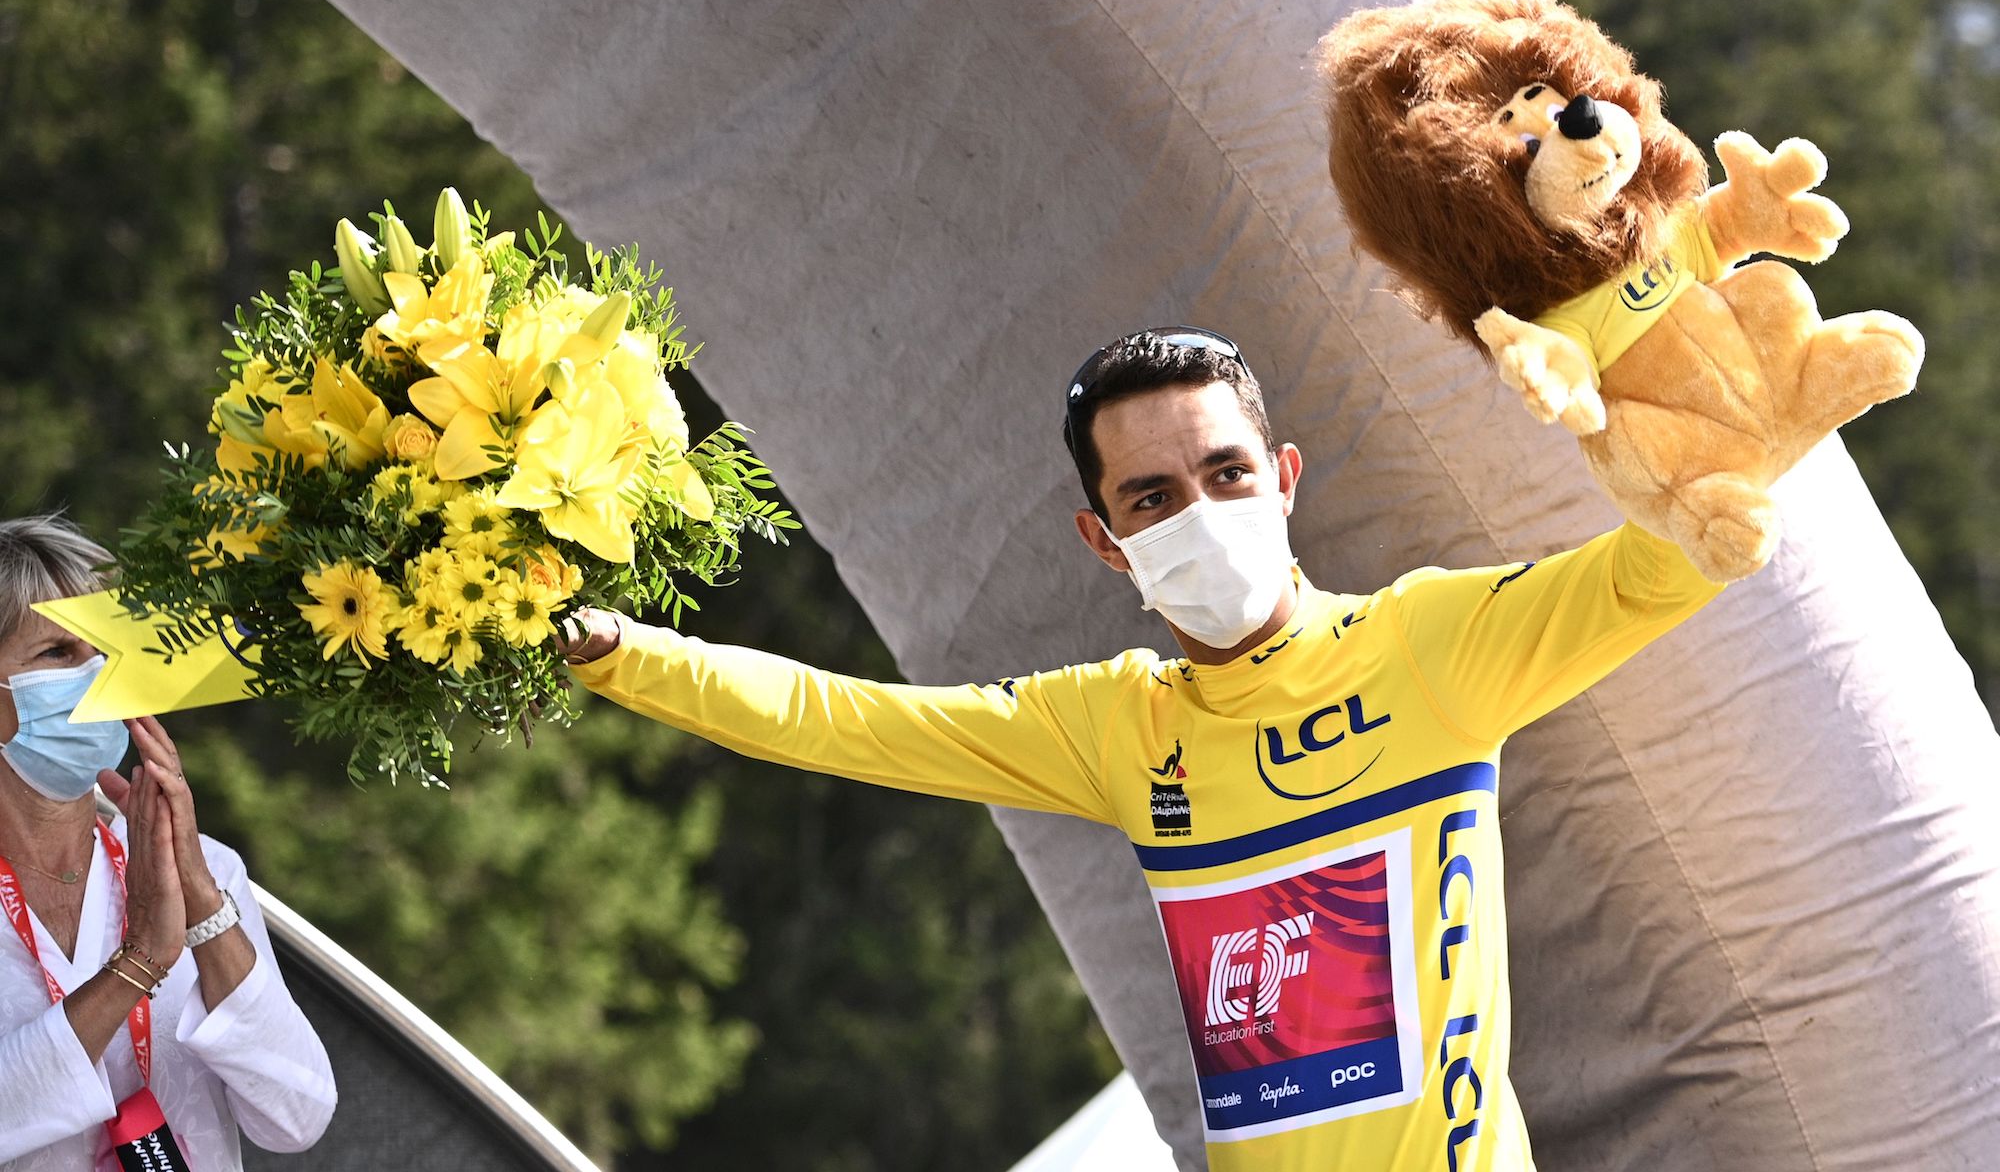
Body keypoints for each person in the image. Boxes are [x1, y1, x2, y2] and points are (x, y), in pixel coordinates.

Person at [556, 327, 1724, 1172]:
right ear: (1106, 541)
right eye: (1153, 496)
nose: (1201, 512)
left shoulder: (1426, 645)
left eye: (1225, 473)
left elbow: (1666, 562)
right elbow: (840, 719)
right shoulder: (1115, 724)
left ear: (1282, 480)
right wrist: (612, 648)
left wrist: (1702, 395)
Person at [0, 515, 336, 1171]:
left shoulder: (207, 872)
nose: (97, 678)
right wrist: (140, 964)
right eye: (58, 655)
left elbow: (298, 1117)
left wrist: (204, 908)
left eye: (108, 653)